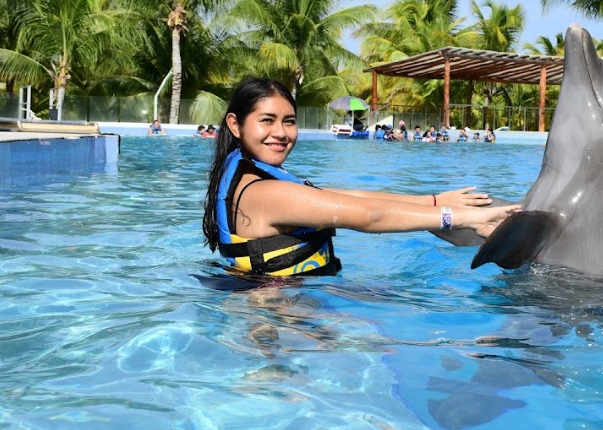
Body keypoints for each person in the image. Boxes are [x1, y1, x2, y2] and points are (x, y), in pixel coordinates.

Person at [202, 78, 518, 279]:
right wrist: (461, 218)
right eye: (267, 121)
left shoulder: (249, 177)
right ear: (235, 124)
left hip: (290, 305)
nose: (281, 133)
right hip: (277, 327)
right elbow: (370, 216)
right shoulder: (263, 193)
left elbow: (352, 198)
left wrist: (434, 201)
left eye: (289, 121)